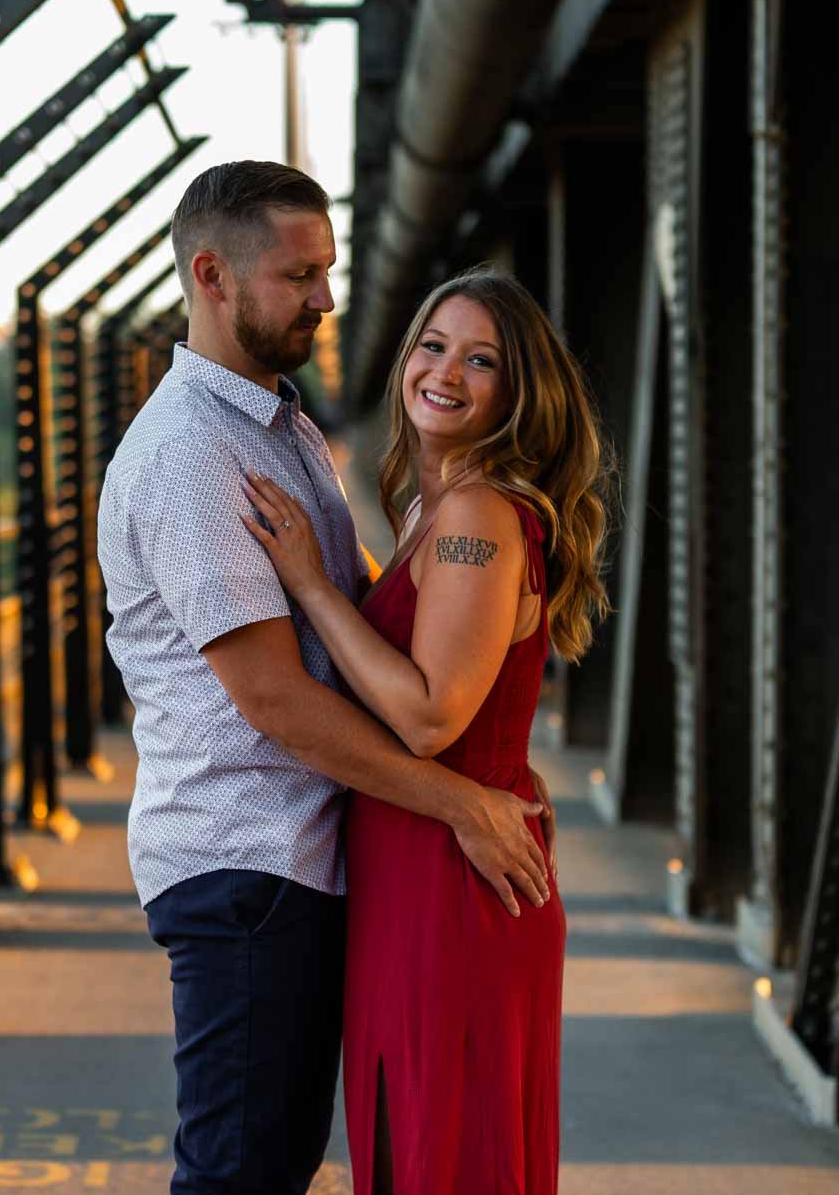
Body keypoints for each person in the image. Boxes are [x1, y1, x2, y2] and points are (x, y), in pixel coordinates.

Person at [96, 163, 555, 1195]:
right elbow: (273, 698)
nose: (327, 300)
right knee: (239, 1174)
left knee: (281, 1161)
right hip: (244, 862)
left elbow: (369, 632)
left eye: (329, 271)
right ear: (213, 276)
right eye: (300, 277)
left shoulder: (281, 425)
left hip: (312, 859)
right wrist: (467, 799)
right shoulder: (190, 454)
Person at [238, 268, 613, 1194]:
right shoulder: (431, 509)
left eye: (480, 359)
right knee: (418, 1140)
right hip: (422, 858)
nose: (445, 371)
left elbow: (431, 714)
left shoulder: (479, 512)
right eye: (433, 346)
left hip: (455, 875)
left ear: (518, 391)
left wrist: (313, 587)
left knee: (446, 1145)